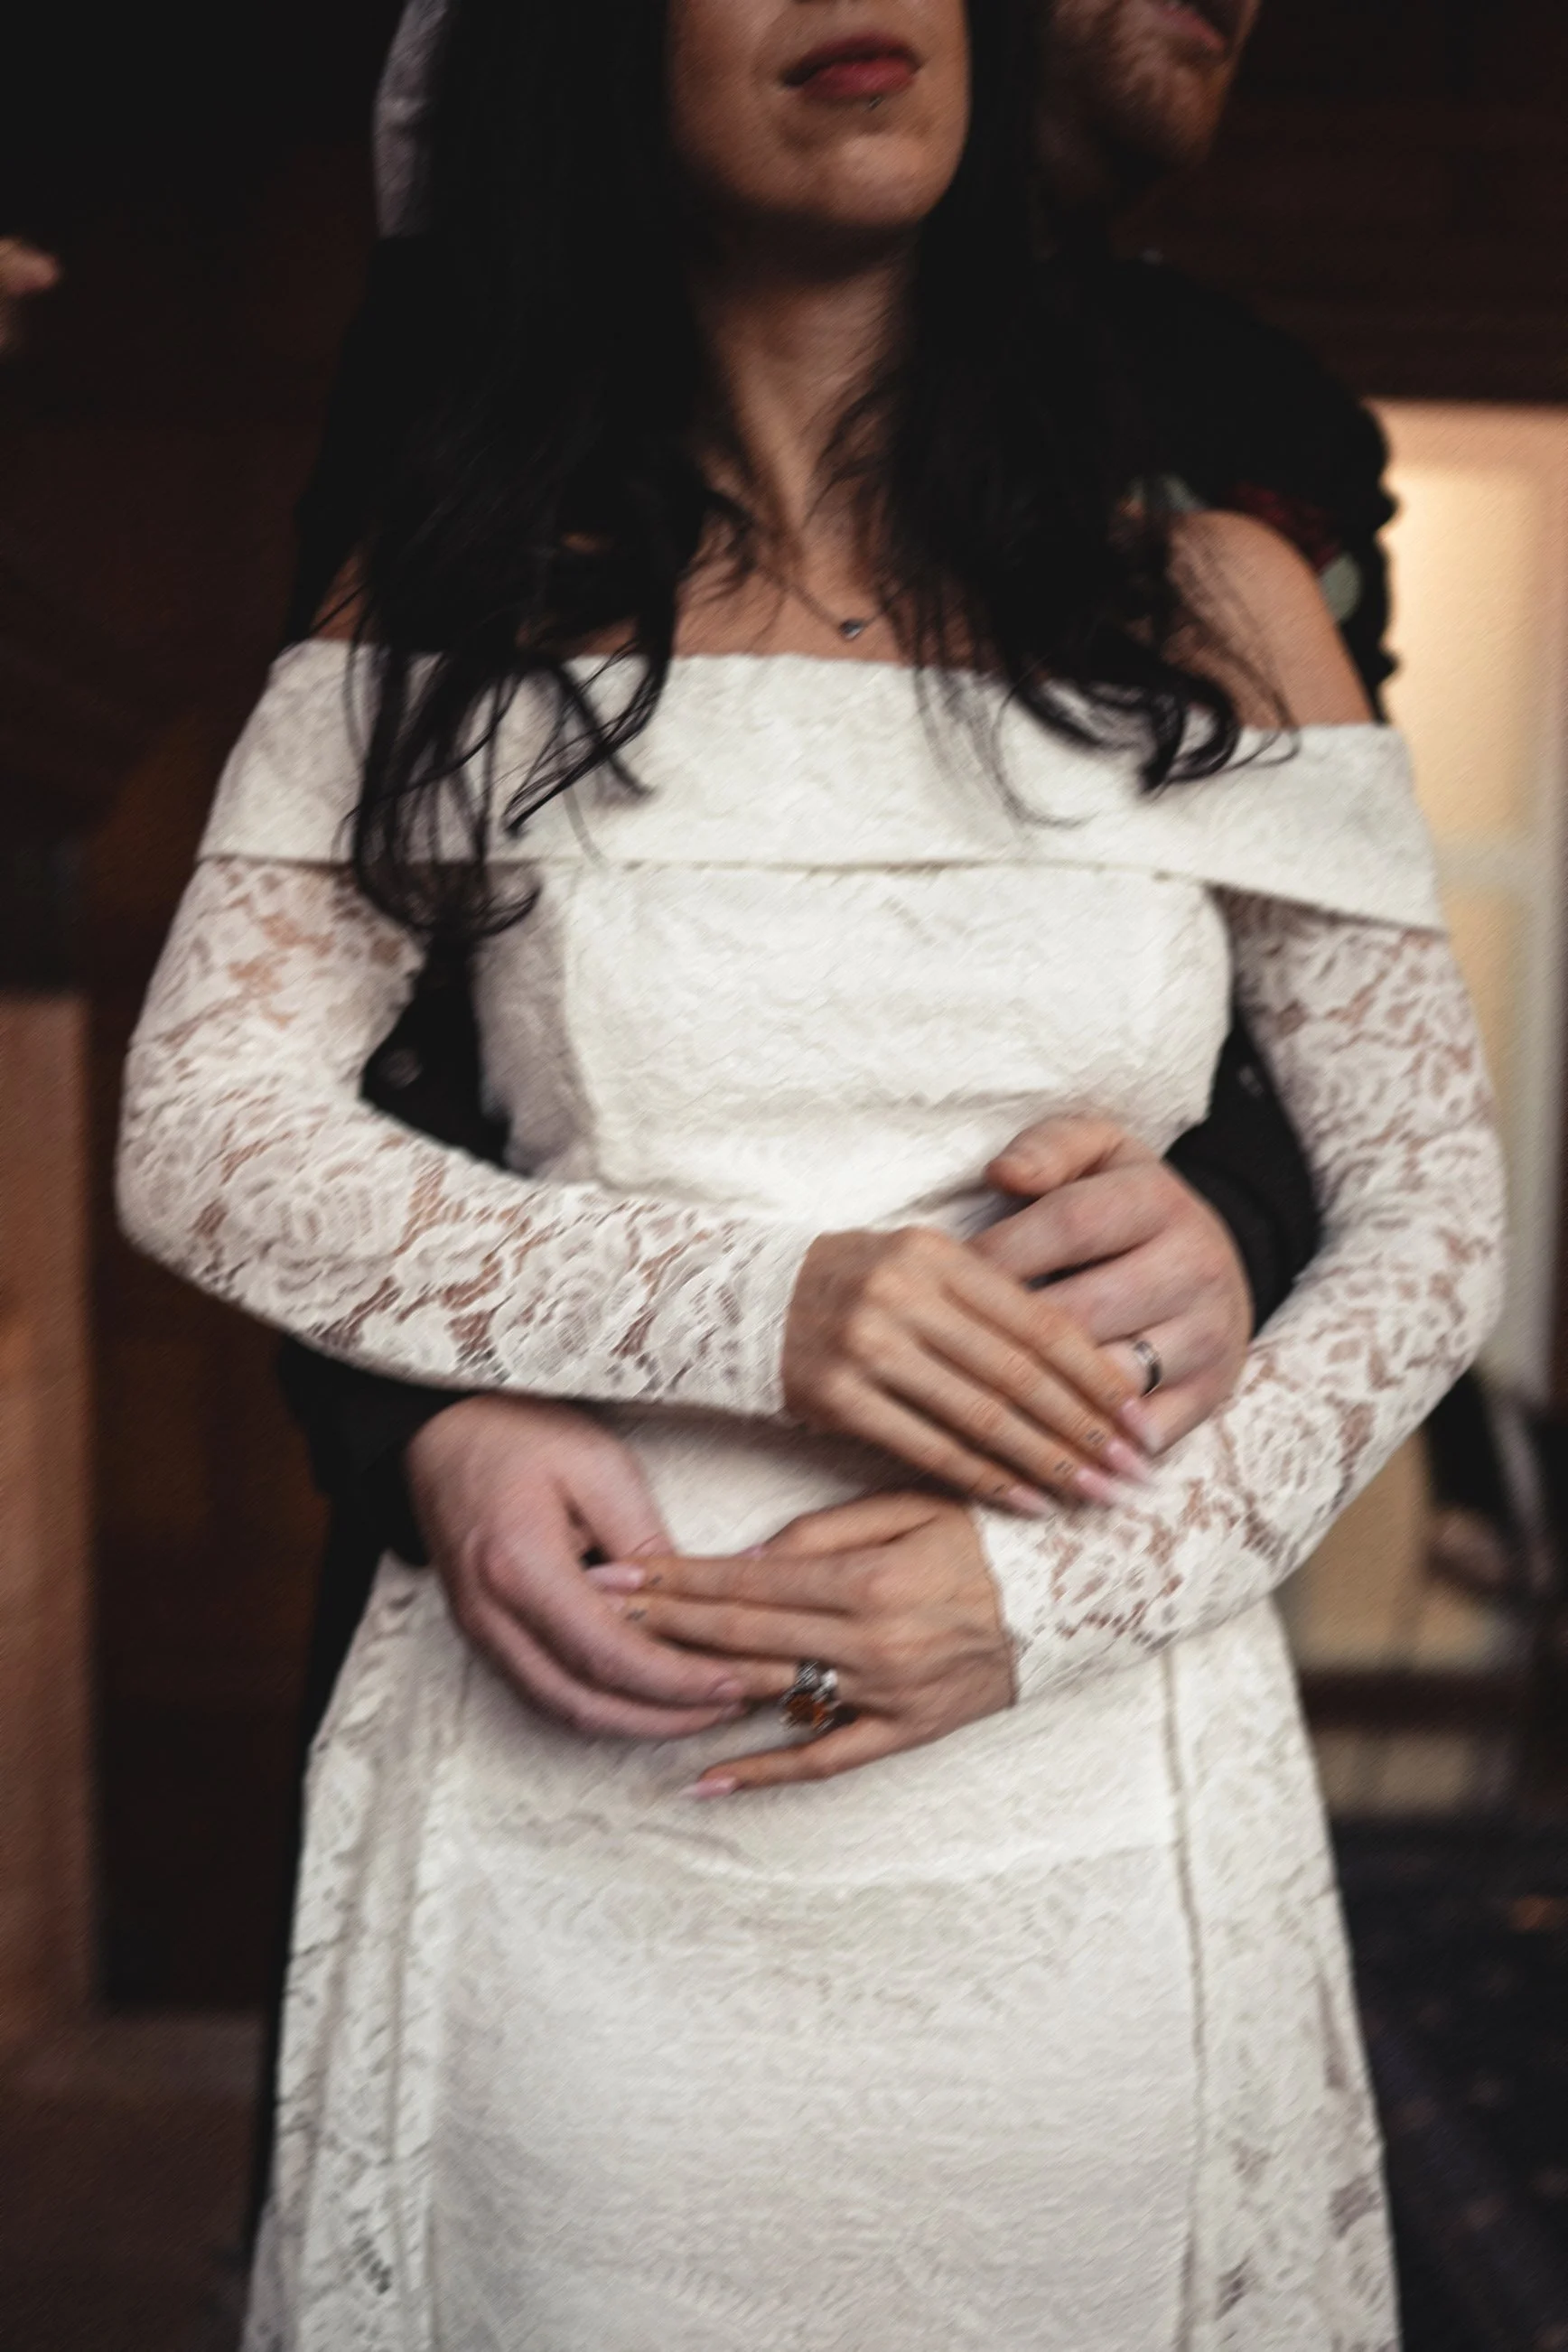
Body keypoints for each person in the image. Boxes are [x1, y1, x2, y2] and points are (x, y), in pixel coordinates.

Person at [118, 0, 1503, 2342]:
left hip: (1085, 1818)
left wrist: (1054, 1601)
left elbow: (1430, 1221)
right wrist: (759, 1307)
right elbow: (205, 1136)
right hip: (587, 1823)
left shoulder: (1213, 606)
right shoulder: (454, 593)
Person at [276, 0, 1339, 1762]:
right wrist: (422, 1423)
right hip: (576, 1601)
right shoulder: (467, 502)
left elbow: (1348, 1084)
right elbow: (333, 1054)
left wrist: (1234, 1227)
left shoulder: (1255, 468)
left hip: (1096, 1617)